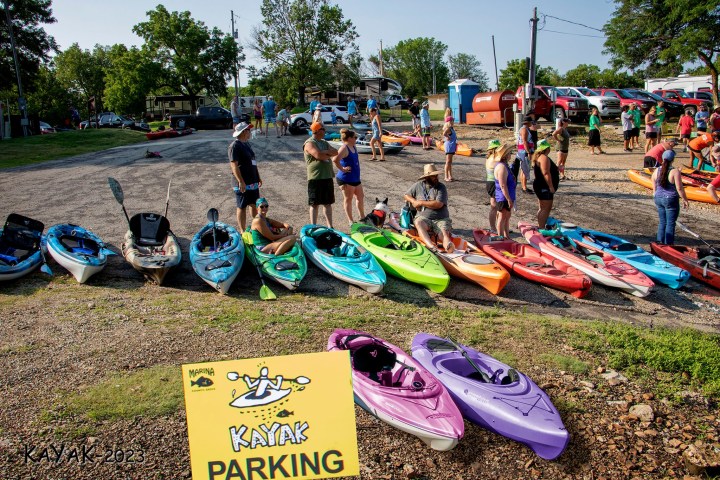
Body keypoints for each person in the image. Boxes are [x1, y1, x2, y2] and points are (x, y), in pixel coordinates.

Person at [403, 164, 454, 253]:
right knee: (418, 223)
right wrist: (413, 201)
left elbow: (438, 204)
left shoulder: (441, 187)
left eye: (436, 175)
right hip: (424, 218)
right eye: (433, 176)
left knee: (444, 233)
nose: (436, 177)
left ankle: (448, 246)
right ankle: (431, 247)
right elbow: (406, 195)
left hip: (441, 218)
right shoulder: (418, 185)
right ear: (427, 177)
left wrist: (420, 202)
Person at [228, 122, 262, 231]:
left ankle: (256, 226)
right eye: (248, 130)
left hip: (252, 180)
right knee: (242, 206)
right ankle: (242, 231)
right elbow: (234, 166)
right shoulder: (235, 146)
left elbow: (253, 161)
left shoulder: (247, 144)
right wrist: (241, 181)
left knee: (254, 204)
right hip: (242, 182)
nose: (250, 132)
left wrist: (258, 176)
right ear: (243, 132)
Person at [304, 122, 339, 227]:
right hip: (316, 177)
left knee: (328, 203)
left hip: (327, 176)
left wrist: (325, 152)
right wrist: (327, 153)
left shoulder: (324, 142)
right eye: (323, 129)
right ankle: (313, 226)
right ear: (317, 130)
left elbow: (336, 152)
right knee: (314, 204)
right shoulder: (309, 143)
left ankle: (330, 226)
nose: (325, 131)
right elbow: (318, 155)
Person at [650, 150, 689, 244]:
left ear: (663, 159)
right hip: (670, 199)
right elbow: (679, 188)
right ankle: (669, 244)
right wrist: (685, 200)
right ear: (673, 159)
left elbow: (653, 181)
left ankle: (659, 242)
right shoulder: (674, 171)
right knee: (670, 223)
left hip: (658, 198)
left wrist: (655, 193)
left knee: (662, 222)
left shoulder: (657, 170)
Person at [332, 128, 364, 226]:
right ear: (349, 138)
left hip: (355, 178)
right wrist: (342, 169)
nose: (356, 139)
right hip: (346, 179)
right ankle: (351, 221)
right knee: (348, 199)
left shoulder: (353, 146)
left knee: (360, 196)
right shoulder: (344, 148)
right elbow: (335, 159)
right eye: (355, 137)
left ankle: (362, 217)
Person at [532, 139, 560, 229]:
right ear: (546, 148)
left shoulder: (538, 156)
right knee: (545, 208)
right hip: (544, 186)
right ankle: (541, 228)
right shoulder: (543, 157)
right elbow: (546, 173)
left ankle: (541, 226)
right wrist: (551, 187)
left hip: (540, 185)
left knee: (542, 207)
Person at [493, 144, 516, 238]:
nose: (511, 154)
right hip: (503, 197)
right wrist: (509, 199)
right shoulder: (502, 167)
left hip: (507, 195)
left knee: (506, 217)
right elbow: (503, 185)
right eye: (510, 153)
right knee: (502, 217)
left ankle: (506, 237)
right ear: (506, 155)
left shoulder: (504, 165)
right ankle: (500, 237)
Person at [485, 140, 505, 231]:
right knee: (494, 207)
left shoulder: (490, 157)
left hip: (491, 182)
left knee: (496, 206)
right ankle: (493, 227)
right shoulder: (494, 158)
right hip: (493, 183)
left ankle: (498, 226)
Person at [516, 115, 534, 194]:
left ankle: (524, 186)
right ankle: (524, 187)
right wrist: (528, 152)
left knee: (523, 169)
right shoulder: (524, 130)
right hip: (524, 152)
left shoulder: (524, 129)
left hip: (522, 151)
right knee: (525, 169)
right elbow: (525, 141)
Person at [442, 115, 457, 181]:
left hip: (452, 145)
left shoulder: (451, 128)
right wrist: (447, 137)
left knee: (450, 162)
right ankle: (446, 176)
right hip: (449, 146)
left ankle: (450, 176)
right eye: (452, 120)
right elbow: (444, 133)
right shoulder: (448, 128)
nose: (453, 122)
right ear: (449, 121)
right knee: (448, 161)